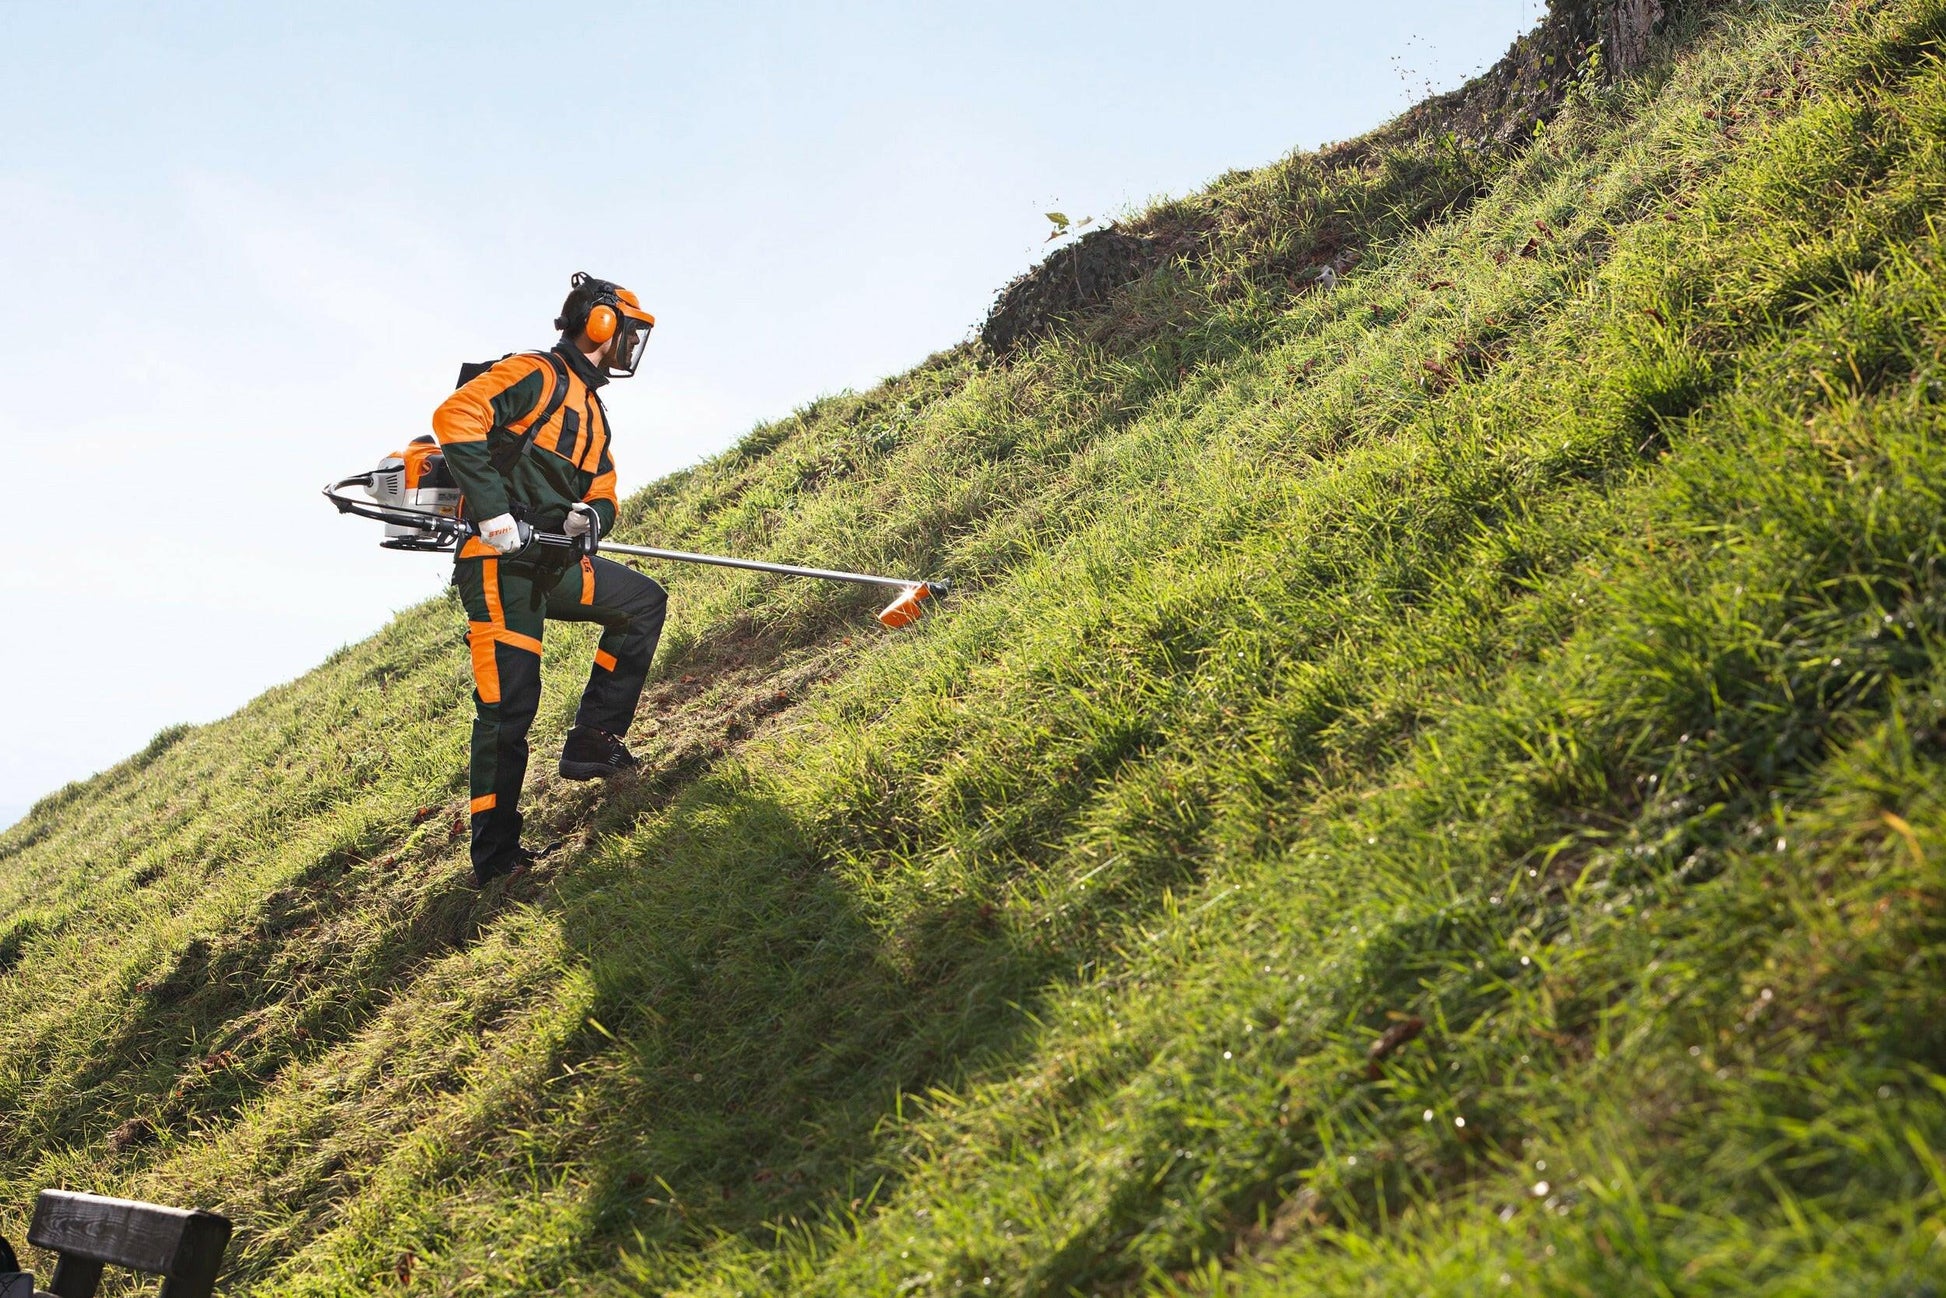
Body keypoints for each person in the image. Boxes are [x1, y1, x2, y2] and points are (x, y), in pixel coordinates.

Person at [433, 272, 668, 885]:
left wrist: (591, 515)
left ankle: (594, 740)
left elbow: (606, 490)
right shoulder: (534, 373)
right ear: (601, 323)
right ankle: (496, 860)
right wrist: (492, 511)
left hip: (552, 565)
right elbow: (456, 415)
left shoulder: (594, 412)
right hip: (498, 565)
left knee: (641, 603)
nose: (632, 346)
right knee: (509, 709)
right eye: (629, 332)